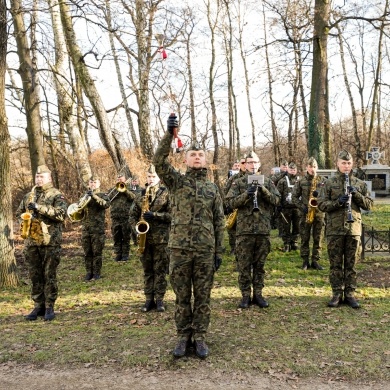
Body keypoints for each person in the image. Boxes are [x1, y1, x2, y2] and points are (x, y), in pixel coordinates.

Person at [153, 114, 224, 359]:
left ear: (206, 161)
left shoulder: (213, 189)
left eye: (200, 155)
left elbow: (219, 221)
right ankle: (183, 336)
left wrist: (219, 252)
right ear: (185, 159)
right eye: (192, 155)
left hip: (205, 251)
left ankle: (200, 337)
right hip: (179, 250)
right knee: (182, 296)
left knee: (203, 297)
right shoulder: (176, 182)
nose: (196, 157)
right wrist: (168, 135)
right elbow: (158, 163)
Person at [317, 150, 373, 308]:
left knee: (351, 264)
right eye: (343, 163)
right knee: (335, 264)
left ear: (352, 164)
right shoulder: (329, 183)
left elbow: (369, 204)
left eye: (348, 163)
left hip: (353, 229)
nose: (346, 166)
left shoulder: (360, 184)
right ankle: (336, 293)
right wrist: (337, 203)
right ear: (337, 164)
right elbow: (321, 204)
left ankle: (349, 294)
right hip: (335, 229)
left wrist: (356, 195)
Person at [226, 151, 280, 310]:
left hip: (263, 230)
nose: (253, 165)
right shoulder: (239, 182)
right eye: (249, 162)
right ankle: (245, 295)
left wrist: (263, 190)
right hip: (244, 231)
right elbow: (229, 202)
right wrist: (245, 195)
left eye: (255, 162)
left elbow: (277, 200)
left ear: (259, 164)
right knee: (243, 265)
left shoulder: (268, 182)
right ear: (245, 164)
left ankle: (258, 293)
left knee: (259, 265)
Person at [16, 165, 68, 321]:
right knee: (35, 275)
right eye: (37, 177)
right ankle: (38, 306)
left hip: (50, 241)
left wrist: (39, 208)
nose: (38, 179)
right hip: (32, 241)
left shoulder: (56, 195)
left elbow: (61, 214)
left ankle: (50, 306)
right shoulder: (28, 196)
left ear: (49, 178)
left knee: (49, 274)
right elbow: (19, 213)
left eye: (42, 177)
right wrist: (26, 218)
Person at [129, 164, 171, 312]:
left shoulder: (167, 193)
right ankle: (148, 299)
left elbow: (173, 216)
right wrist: (137, 231)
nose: (151, 179)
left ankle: (160, 299)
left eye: (153, 176)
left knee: (160, 270)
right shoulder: (140, 194)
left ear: (159, 178)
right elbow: (132, 216)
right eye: (148, 176)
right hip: (144, 239)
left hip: (161, 239)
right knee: (147, 270)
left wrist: (155, 215)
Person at [292, 157, 326, 270]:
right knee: (304, 238)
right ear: (306, 167)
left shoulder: (323, 180)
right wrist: (302, 207)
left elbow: (328, 196)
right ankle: (305, 261)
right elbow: (294, 197)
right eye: (310, 167)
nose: (312, 169)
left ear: (317, 167)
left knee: (318, 238)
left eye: (315, 167)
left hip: (319, 213)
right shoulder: (301, 181)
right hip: (305, 214)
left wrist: (320, 195)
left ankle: (315, 260)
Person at [80, 175, 110, 281]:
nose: (92, 184)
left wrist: (94, 196)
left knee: (97, 252)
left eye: (95, 182)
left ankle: (97, 272)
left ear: (99, 183)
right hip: (86, 228)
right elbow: (79, 209)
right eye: (91, 182)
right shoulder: (84, 196)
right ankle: (89, 272)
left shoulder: (103, 195)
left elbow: (106, 205)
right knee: (87, 252)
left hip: (97, 229)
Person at [108, 172, 137, 262]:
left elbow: (134, 197)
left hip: (125, 217)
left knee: (125, 237)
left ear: (124, 179)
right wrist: (117, 190)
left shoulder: (129, 188)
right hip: (115, 217)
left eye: (121, 178)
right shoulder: (113, 189)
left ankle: (125, 254)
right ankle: (118, 254)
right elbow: (108, 199)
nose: (119, 180)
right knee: (116, 237)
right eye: (118, 179)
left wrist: (125, 191)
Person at [223, 156, 246, 255]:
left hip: (246, 209)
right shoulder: (233, 178)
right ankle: (233, 248)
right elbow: (225, 192)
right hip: (234, 208)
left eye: (246, 162)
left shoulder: (256, 177)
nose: (244, 165)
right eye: (242, 163)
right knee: (232, 229)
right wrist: (227, 206)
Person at [277, 162, 301, 252]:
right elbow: (278, 194)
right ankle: (286, 243)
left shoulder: (300, 180)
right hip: (285, 208)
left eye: (294, 170)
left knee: (297, 226)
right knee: (285, 226)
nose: (293, 171)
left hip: (297, 208)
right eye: (291, 170)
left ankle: (294, 242)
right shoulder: (282, 181)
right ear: (288, 170)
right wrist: (278, 204)